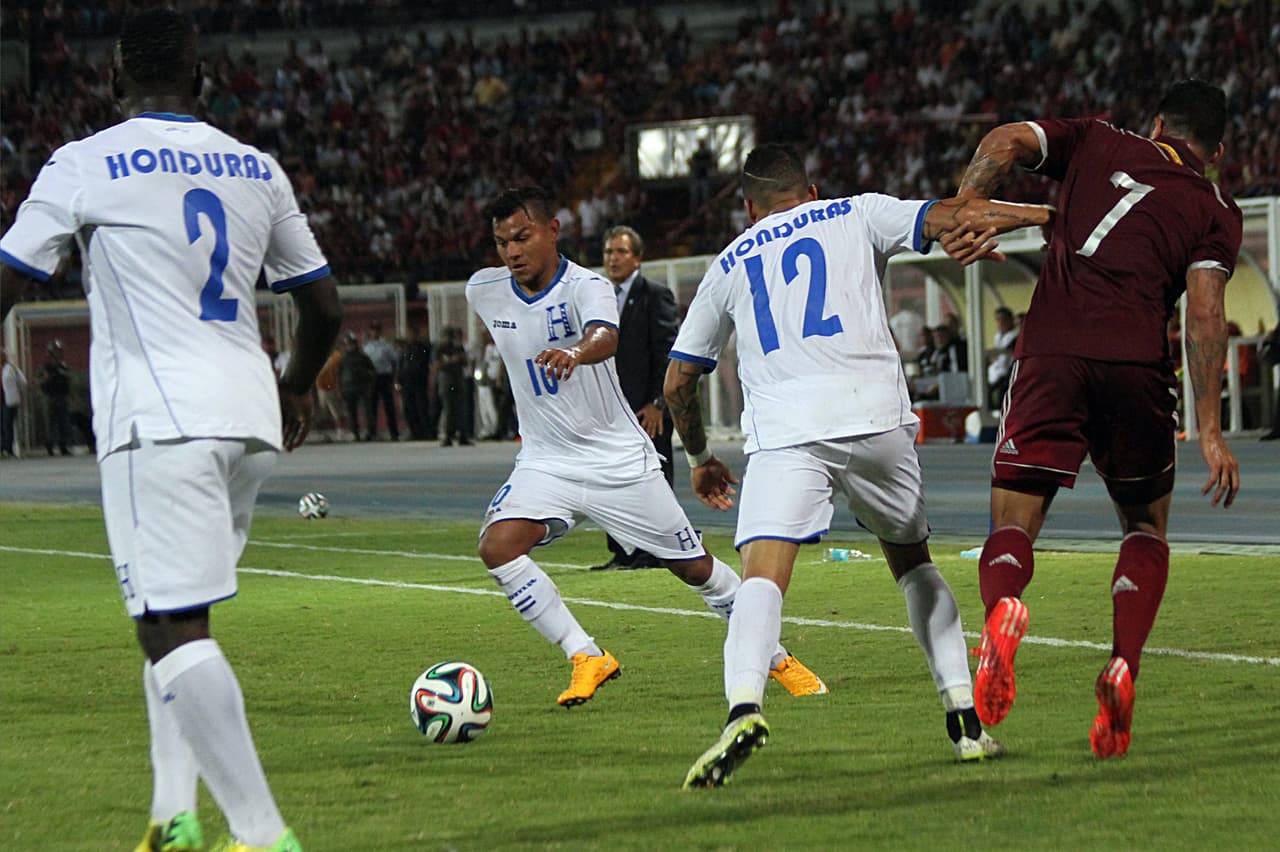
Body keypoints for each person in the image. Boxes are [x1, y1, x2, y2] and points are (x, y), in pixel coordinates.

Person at [0, 9, 341, 851]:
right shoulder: (256, 166)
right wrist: (296, 386)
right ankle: (173, 816)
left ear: (114, 81)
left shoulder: (83, 162)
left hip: (159, 418)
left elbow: (10, 277)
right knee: (180, 615)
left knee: (168, 626)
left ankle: (262, 834)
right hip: (249, 417)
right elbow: (323, 307)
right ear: (201, 81)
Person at [664, 144, 1052, 788]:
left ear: (749, 208)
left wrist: (701, 458)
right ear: (811, 190)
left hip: (788, 432)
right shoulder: (857, 211)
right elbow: (958, 214)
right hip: (875, 417)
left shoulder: (728, 262)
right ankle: (965, 719)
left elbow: (679, 381)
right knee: (913, 562)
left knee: (762, 577)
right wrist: (1045, 216)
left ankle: (744, 708)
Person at [952, 78, 1243, 760]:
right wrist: (1210, 429)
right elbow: (1205, 314)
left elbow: (1006, 141)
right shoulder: (1215, 208)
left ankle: (1003, 610)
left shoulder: (1098, 139)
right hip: (1138, 368)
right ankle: (1122, 666)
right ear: (1217, 153)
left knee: (1014, 519)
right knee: (1143, 527)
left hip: (1052, 355)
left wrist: (968, 207)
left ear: (1158, 122)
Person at [466, 186, 826, 710]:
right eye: (502, 243)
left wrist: (576, 351)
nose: (512, 252)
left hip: (618, 460)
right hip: (545, 462)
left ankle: (776, 658)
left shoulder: (587, 286)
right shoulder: (484, 289)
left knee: (694, 567)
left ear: (552, 231)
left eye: (522, 238)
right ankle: (586, 654)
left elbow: (605, 335)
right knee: (497, 548)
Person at [591, 225, 679, 571]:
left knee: (651, 480)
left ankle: (655, 551)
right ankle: (623, 551)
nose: (613, 258)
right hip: (609, 411)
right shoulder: (597, 298)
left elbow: (669, 354)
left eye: (621, 252)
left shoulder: (655, 296)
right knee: (611, 480)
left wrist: (659, 403)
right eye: (608, 252)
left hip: (646, 411)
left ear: (638, 258)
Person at [435, 326, 471, 446]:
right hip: (446, 380)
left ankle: (462, 435)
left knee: (460, 409)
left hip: (458, 380)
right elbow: (436, 365)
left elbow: (466, 362)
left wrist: (460, 358)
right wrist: (450, 360)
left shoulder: (458, 348)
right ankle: (448, 435)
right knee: (449, 409)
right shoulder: (440, 348)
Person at [363, 320, 399, 441]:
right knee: (372, 406)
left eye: (377, 329)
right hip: (372, 378)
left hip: (385, 376)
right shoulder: (367, 346)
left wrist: (394, 377)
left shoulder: (386, 345)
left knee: (389, 405)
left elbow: (394, 360)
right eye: (373, 330)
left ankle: (394, 432)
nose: (375, 332)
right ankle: (372, 431)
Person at [338, 332, 377, 440]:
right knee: (351, 412)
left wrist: (369, 385)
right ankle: (355, 433)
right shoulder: (344, 359)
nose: (350, 346)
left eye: (352, 344)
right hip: (348, 388)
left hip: (362, 387)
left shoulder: (363, 357)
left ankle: (370, 433)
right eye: (348, 344)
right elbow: (339, 375)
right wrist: (340, 390)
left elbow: (372, 371)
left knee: (367, 411)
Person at [39, 339, 72, 455]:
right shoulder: (46, 367)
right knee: (51, 423)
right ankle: (50, 446)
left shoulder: (63, 366)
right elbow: (41, 381)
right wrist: (47, 378)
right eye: (56, 351)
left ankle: (63, 446)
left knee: (64, 422)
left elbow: (68, 381)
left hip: (62, 397)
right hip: (50, 397)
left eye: (59, 351)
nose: (58, 353)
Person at [986, 306, 1018, 409]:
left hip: (1008, 373)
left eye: (1003, 319)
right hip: (996, 373)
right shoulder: (998, 336)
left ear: (1010, 320)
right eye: (998, 320)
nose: (1001, 323)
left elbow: (1006, 354)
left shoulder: (1015, 336)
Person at [1, 349, 27, 457]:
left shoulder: (11, 368)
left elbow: (23, 381)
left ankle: (8, 449)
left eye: (2, 355)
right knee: (2, 426)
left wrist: (18, 391)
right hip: (1, 401)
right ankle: (2, 448)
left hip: (9, 401)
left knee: (7, 425)